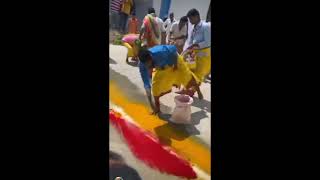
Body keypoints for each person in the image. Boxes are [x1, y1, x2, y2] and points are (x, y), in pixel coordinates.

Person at [138, 45, 201, 115]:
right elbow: (146, 84)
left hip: (175, 61)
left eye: (148, 62)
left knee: (188, 79)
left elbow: (173, 49)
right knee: (155, 88)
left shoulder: (160, 51)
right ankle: (157, 108)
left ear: (150, 56)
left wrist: (175, 64)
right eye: (145, 64)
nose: (147, 65)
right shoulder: (142, 66)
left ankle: (198, 91)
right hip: (161, 68)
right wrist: (150, 100)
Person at [178, 8, 211, 97]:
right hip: (195, 53)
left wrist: (195, 45)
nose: (190, 21)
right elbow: (191, 40)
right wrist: (189, 49)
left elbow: (208, 42)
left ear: (196, 16)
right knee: (190, 71)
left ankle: (189, 91)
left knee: (198, 75)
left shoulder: (205, 26)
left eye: (191, 19)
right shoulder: (194, 27)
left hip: (204, 55)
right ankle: (187, 89)